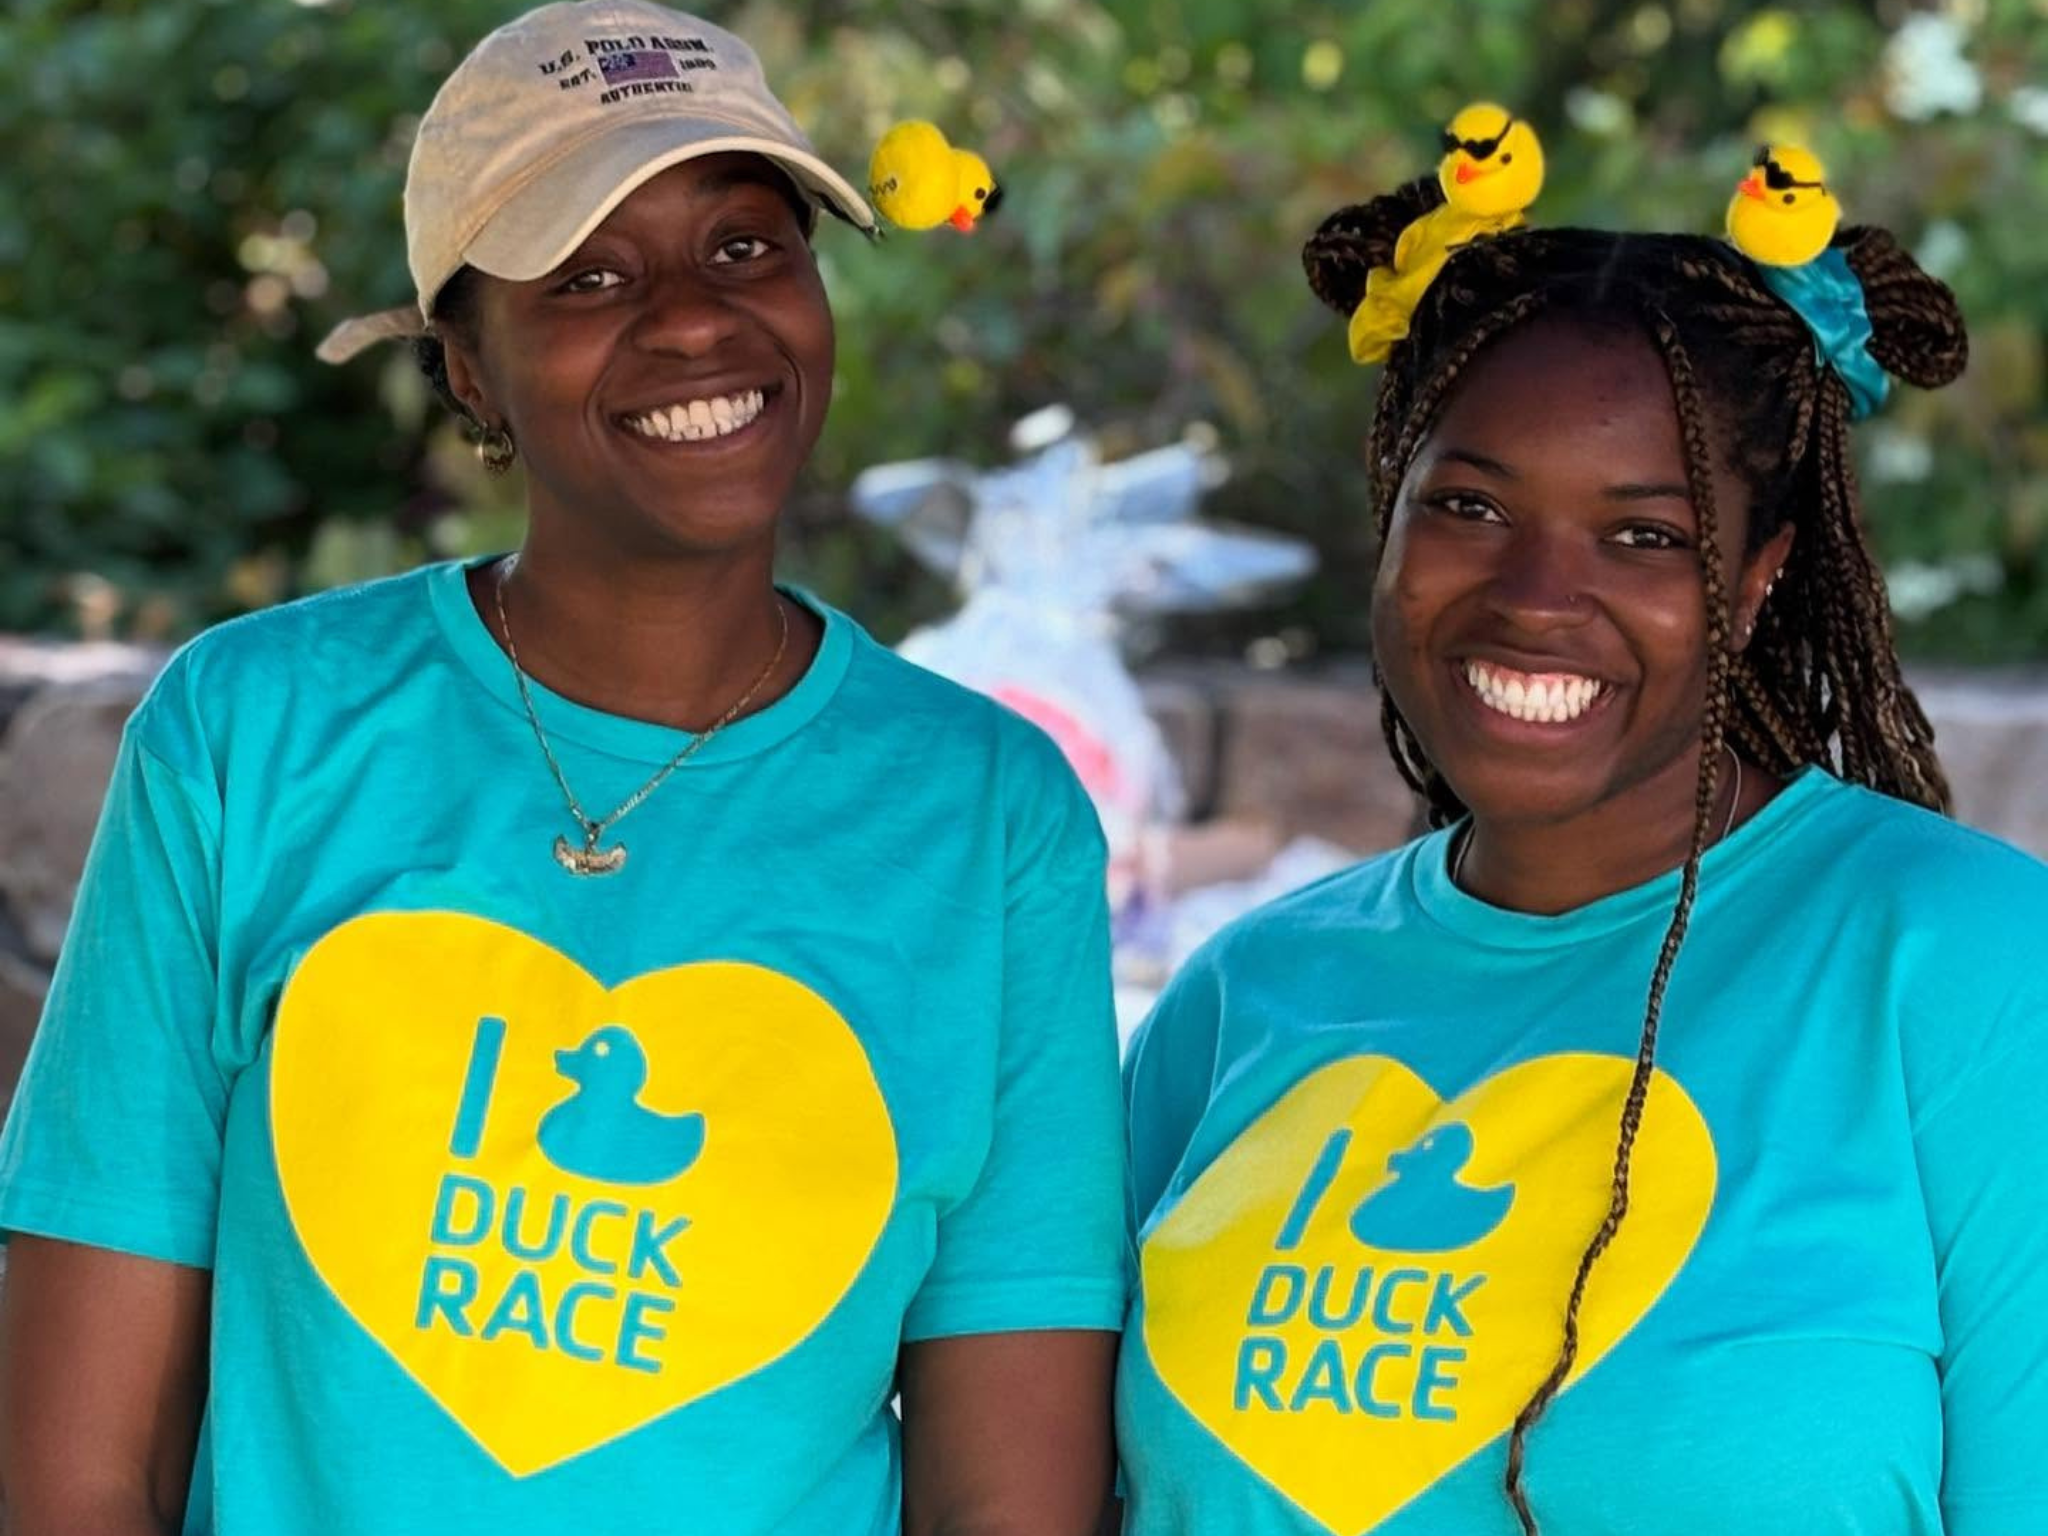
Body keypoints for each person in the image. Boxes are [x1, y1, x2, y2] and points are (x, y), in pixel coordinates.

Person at [0, 5, 1126, 1532]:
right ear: (469, 371)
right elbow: (78, 1468)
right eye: (589, 276)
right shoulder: (249, 731)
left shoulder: (991, 815)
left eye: (745, 247)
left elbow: (1009, 1487)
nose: (693, 320)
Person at [1114, 130, 2048, 1536]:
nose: (1536, 596)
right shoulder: (1242, 999)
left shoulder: (1970, 967)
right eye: (1471, 507)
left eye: (1645, 536)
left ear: (1759, 577)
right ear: (1390, 518)